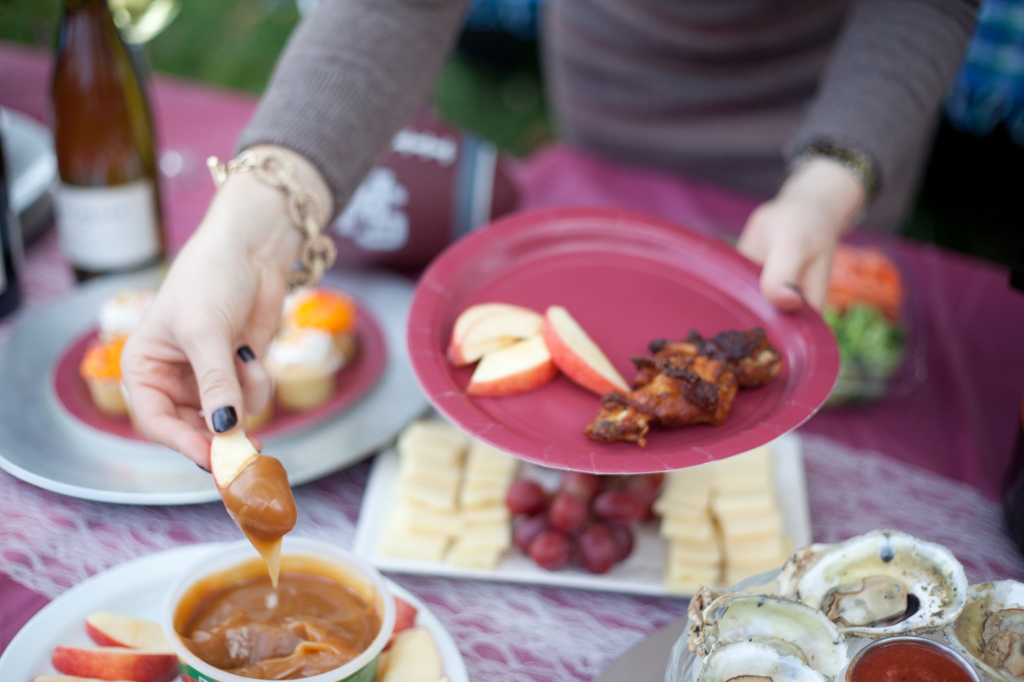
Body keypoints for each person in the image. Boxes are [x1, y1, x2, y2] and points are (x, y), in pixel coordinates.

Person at [122, 0, 979, 467]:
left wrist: (833, 177)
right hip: (612, 98)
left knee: (827, 441)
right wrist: (247, 226)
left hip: (833, 136)